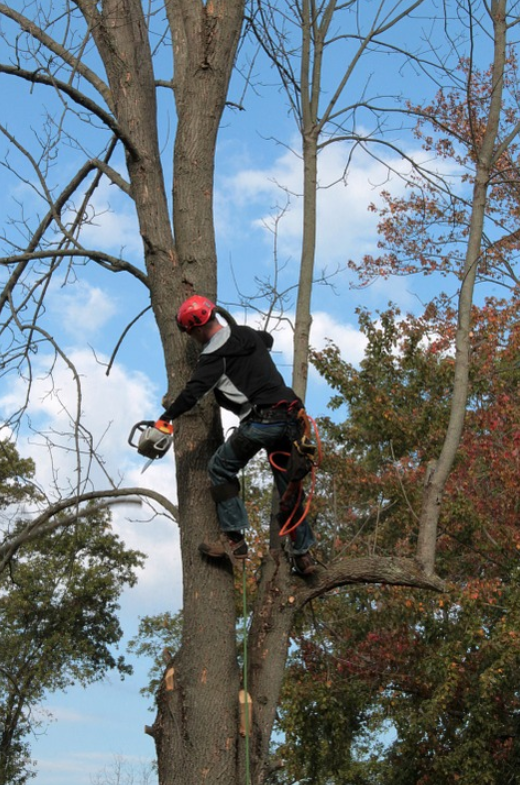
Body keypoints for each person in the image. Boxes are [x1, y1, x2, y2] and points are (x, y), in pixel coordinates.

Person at [159, 295, 317, 576]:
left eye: (191, 334)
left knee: (219, 468)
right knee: (287, 486)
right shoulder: (246, 334)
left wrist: (165, 418)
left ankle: (234, 540)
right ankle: (304, 555)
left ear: (195, 329)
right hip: (293, 419)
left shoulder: (213, 358)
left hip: (262, 422)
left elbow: (192, 393)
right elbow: (266, 339)